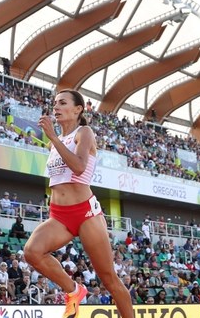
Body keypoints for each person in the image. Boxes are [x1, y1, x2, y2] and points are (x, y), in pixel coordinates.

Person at [24, 89, 134, 318]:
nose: (56, 106)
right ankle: (74, 290)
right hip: (59, 215)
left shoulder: (84, 132)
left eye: (62, 103)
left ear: (78, 109)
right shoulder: (54, 143)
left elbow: (79, 167)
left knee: (108, 278)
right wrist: (54, 140)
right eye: (54, 103)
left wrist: (53, 137)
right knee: (32, 252)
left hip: (85, 213)